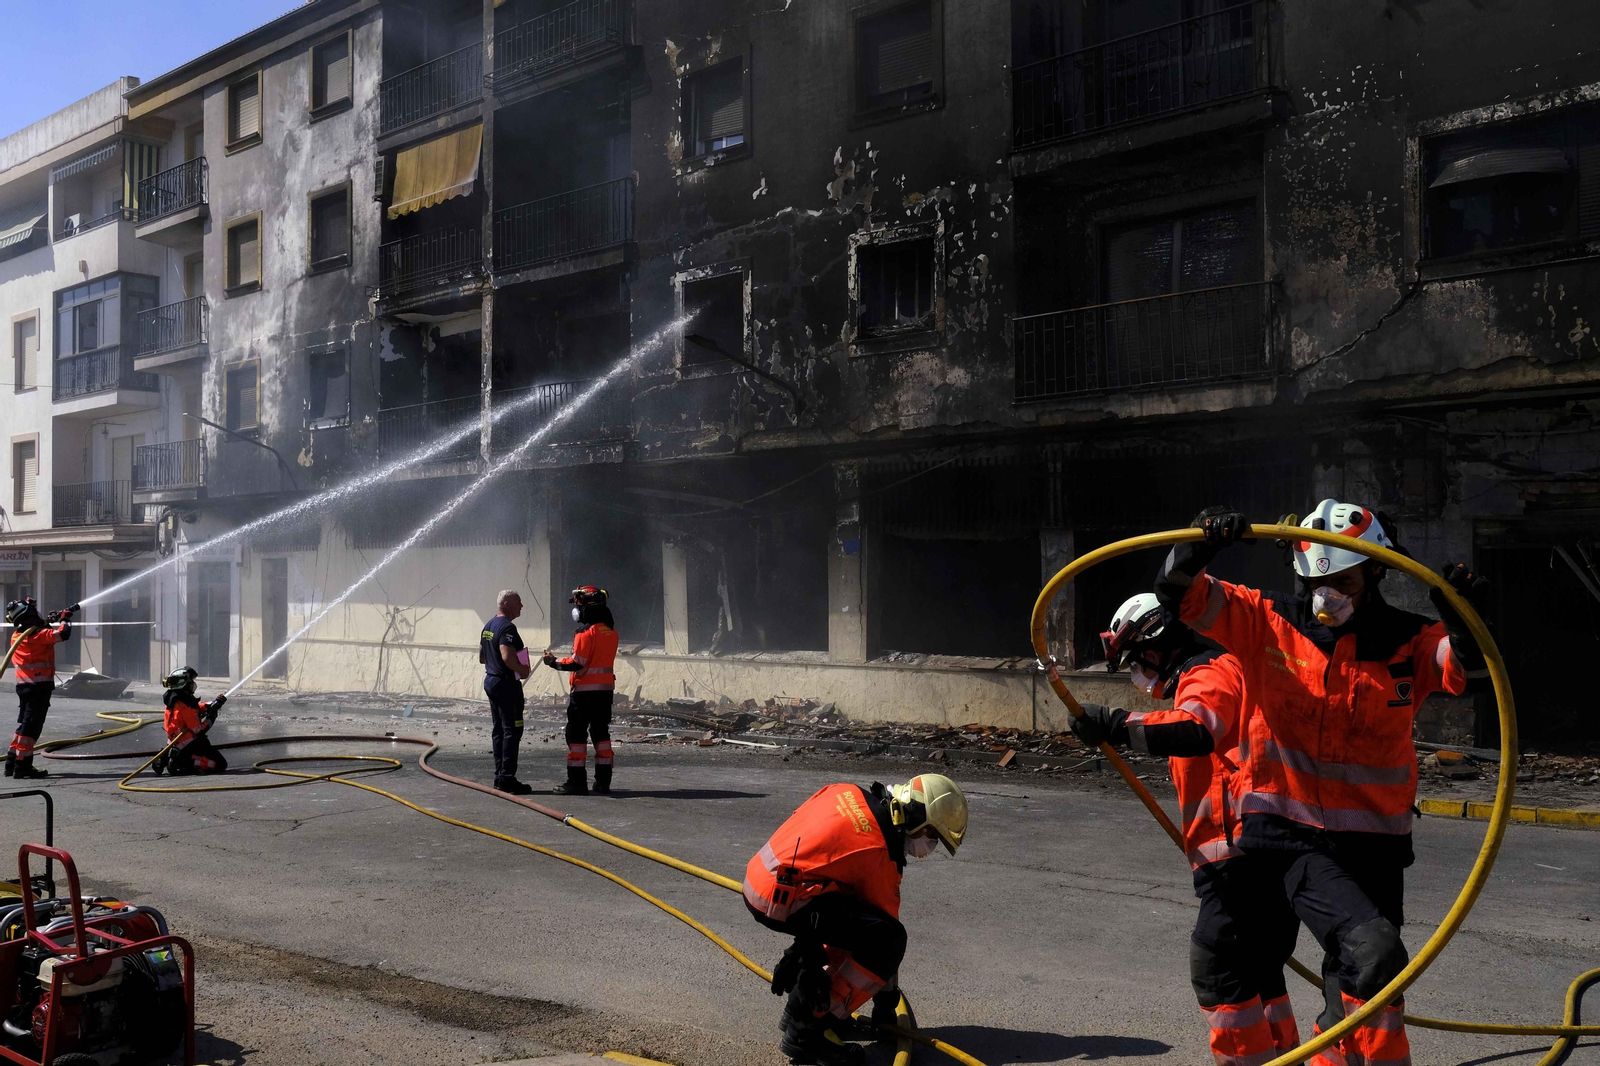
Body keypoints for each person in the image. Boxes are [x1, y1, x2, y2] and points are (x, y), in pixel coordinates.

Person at [1154, 501, 1489, 1066]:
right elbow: (1178, 595)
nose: (1325, 595)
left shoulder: (1410, 642)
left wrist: (1460, 613)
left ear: (1377, 570)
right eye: (1314, 580)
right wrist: (1204, 539)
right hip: (1287, 837)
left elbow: (1468, 673)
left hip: (1375, 848)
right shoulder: (1269, 620)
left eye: (1342, 582)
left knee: (1363, 977)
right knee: (1363, 952)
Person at [1070, 593, 1303, 1064]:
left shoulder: (1208, 670)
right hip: (1260, 854)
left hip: (1241, 857)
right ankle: (1286, 1057)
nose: (1138, 672)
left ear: (1154, 645)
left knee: (1219, 970)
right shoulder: (1222, 669)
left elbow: (1197, 729)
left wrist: (1115, 725)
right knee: (1261, 975)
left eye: (1136, 659)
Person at [743, 774, 969, 1066]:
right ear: (916, 819)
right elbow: (885, 934)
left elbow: (815, 855)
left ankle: (807, 1008)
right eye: (932, 836)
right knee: (886, 939)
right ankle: (808, 1030)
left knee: (855, 921)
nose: (930, 847)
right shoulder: (879, 851)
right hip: (785, 899)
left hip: (762, 877)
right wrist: (886, 1005)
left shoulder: (846, 792)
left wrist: (804, 950)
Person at [542, 585, 618, 796]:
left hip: (584, 695)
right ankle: (603, 782)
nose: (576, 609)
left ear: (587, 607)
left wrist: (553, 661)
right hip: (605, 693)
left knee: (575, 736)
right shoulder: (611, 632)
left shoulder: (586, 632)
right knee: (601, 734)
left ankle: (576, 782)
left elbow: (577, 663)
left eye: (578, 604)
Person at [2, 598, 75, 779]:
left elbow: (39, 627)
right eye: (34, 613)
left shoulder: (17, 636)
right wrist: (65, 618)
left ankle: (11, 762)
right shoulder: (38, 637)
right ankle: (23, 766)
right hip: (38, 688)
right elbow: (63, 634)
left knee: (25, 725)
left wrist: (49, 619)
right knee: (31, 729)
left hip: (25, 687)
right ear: (28, 618)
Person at [480, 590, 533, 795]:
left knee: (499, 729)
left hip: (492, 681)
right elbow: (507, 656)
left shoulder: (489, 625)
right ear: (507, 604)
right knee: (513, 729)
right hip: (506, 684)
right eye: (518, 603)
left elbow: (483, 656)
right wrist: (522, 669)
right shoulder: (507, 627)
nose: (521, 606)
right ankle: (507, 778)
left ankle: (499, 775)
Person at [153, 667, 228, 775]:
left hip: (174, 741)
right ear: (185, 685)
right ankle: (183, 762)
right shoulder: (187, 706)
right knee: (220, 765)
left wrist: (210, 705)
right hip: (190, 743)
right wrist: (212, 717)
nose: (193, 684)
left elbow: (195, 708)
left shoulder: (174, 699)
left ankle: (164, 757)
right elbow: (198, 730)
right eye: (191, 682)